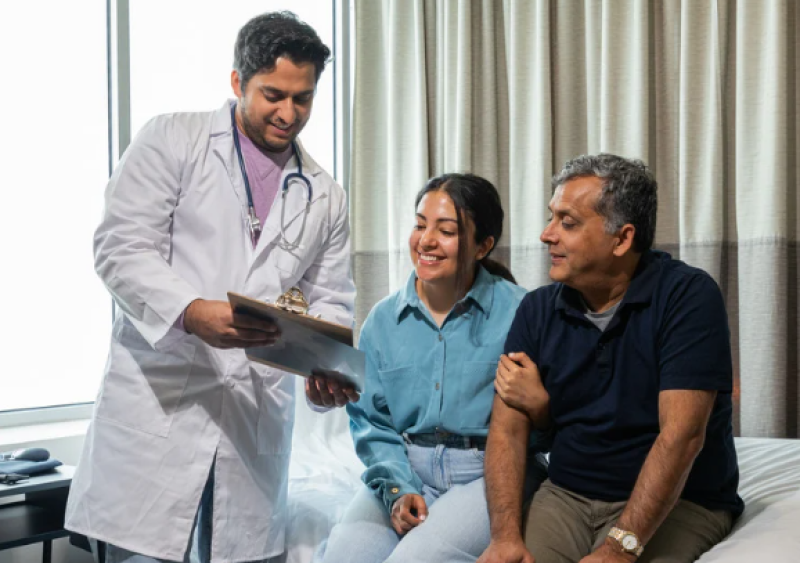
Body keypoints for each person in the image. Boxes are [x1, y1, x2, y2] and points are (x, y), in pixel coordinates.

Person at [65, 12, 358, 563]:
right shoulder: (172, 140)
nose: (288, 113)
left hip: (251, 416)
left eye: (304, 98)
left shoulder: (326, 195)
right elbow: (119, 248)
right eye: (273, 94)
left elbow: (332, 302)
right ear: (236, 82)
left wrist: (327, 372)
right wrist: (191, 311)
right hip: (161, 402)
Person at [478, 154, 743, 563]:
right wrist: (504, 537)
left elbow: (682, 437)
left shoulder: (688, 298)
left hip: (684, 501)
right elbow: (507, 431)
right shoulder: (537, 310)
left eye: (567, 223)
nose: (546, 234)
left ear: (622, 239)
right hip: (567, 495)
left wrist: (619, 549)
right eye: (552, 218)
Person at [317, 173, 548, 563]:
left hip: (487, 473)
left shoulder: (522, 312)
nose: (426, 240)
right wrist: (396, 489)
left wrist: (543, 408)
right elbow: (372, 422)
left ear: (483, 246)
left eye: (446, 230)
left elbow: (548, 426)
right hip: (407, 465)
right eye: (420, 225)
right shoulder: (383, 320)